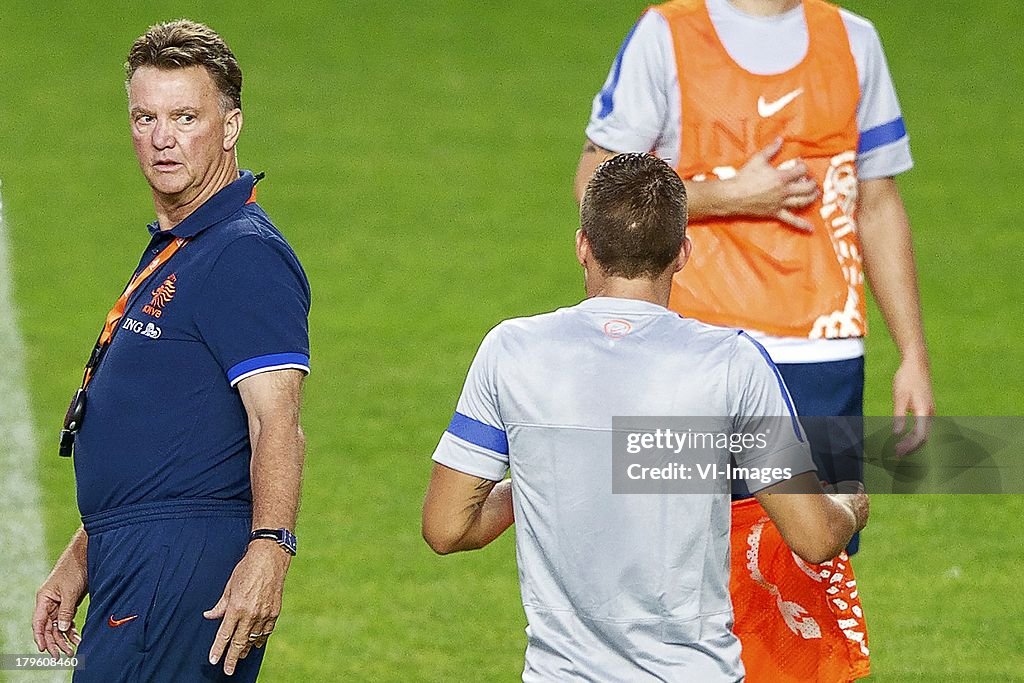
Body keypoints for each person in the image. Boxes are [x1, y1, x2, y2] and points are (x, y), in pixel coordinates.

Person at [423, 153, 869, 681]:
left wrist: (552, 475)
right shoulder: (732, 363)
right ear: (682, 252)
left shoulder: (511, 351)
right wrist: (849, 507)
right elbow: (815, 538)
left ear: (583, 246)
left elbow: (446, 528)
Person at [573, 0, 935, 514]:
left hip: (821, 353)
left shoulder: (854, 40)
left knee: (814, 562)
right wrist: (731, 195)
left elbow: (876, 206)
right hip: (691, 342)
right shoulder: (668, 34)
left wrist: (913, 355)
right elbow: (595, 183)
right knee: (682, 557)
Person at [32, 20, 310, 682]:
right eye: (145, 117)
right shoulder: (187, 242)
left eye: (186, 116)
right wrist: (87, 551)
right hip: (138, 557)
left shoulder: (242, 252)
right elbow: (166, 437)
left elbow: (278, 420)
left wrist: (270, 549)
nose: (162, 138)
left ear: (230, 125)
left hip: (176, 569)